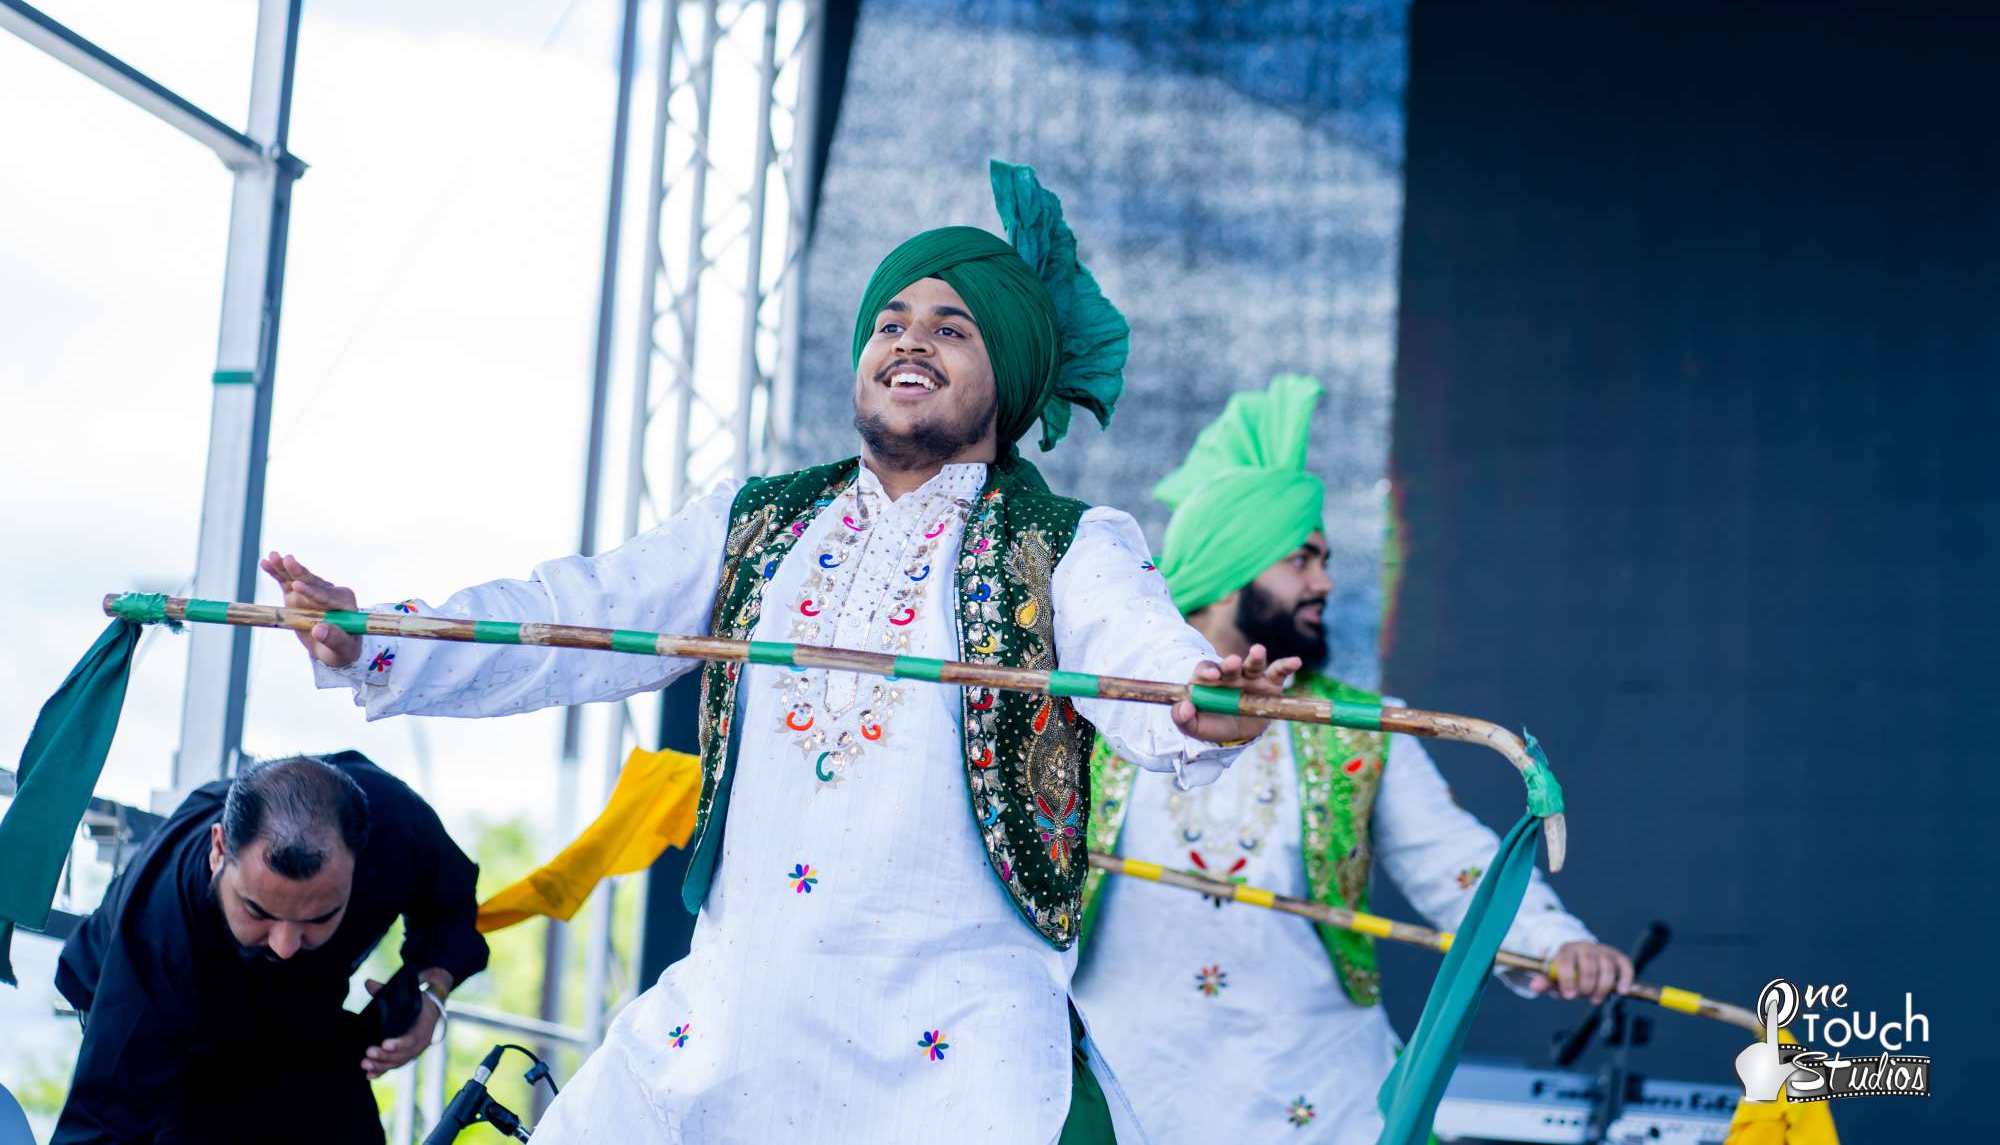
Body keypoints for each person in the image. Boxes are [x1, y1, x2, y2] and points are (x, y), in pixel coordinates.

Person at [261, 163, 1295, 1144]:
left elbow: (1140, 657)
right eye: (890, 321)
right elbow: (571, 620)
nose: (910, 341)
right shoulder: (755, 523)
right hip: (735, 1023)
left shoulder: (1065, 543)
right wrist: (380, 638)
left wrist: (1199, 703)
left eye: (951, 328)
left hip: (955, 1041)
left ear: (1011, 372)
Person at [1073, 375, 1633, 1143]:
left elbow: (1451, 859)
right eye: (1302, 559)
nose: (1325, 582)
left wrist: (1550, 938)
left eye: (1324, 560)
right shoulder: (1104, 706)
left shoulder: (1362, 726)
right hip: (1133, 1092)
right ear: (1231, 568)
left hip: (1320, 1100)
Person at [52, 752, 487, 1145]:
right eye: (258, 911)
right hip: (183, 1027)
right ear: (219, 851)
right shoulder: (160, 935)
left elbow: (451, 907)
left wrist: (431, 993)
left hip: (303, 1016)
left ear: (360, 859)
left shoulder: (396, 825)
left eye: (318, 917)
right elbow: (101, 1126)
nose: (285, 946)